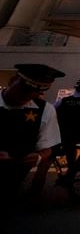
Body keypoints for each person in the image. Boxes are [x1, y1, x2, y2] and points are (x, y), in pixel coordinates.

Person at [0, 63, 65, 200]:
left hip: (11, 179)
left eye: (36, 93)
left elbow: (49, 146)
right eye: (24, 90)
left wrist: (39, 157)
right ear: (12, 81)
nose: (28, 96)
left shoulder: (45, 110)